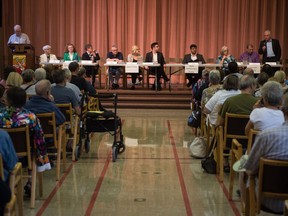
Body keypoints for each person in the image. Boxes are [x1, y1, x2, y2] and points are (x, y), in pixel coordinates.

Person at [243, 92, 288, 214]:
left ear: (283, 111)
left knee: (244, 169)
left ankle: (245, 208)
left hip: (269, 201)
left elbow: (250, 168)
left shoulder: (267, 135)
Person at [0, 87, 51, 172]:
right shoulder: (31, 117)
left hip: (4, 154)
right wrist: (42, 155)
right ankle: (30, 180)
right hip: (26, 153)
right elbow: (39, 138)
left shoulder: (1, 116)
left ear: (8, 101)